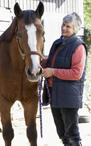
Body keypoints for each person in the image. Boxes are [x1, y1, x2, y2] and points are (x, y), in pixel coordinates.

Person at [41, 12, 87, 146]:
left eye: (68, 26)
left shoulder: (78, 46)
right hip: (54, 93)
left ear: (75, 29)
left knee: (72, 134)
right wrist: (40, 61)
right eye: (63, 24)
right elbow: (50, 62)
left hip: (68, 97)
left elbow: (76, 73)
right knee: (61, 133)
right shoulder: (58, 42)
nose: (64, 28)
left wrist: (53, 72)